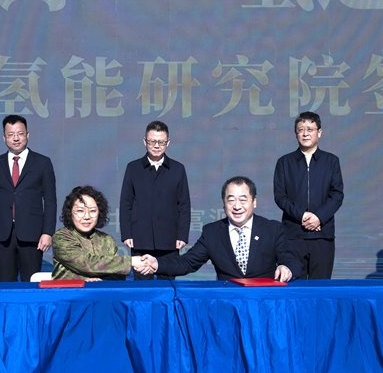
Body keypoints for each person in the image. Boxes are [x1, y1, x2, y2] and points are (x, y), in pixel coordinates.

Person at [137, 176, 301, 281]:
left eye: (243, 200)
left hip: (263, 301)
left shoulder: (272, 229)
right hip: (226, 302)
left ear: (254, 202)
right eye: (231, 200)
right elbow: (187, 263)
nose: (237, 206)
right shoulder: (212, 233)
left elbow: (292, 260)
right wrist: (157, 263)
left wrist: (286, 268)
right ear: (224, 203)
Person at [0, 115, 57, 282]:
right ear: (4, 138)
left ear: (27, 135)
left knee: (31, 284)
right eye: (11, 134)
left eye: (20, 134)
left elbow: (50, 201)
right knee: (5, 283)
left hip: (32, 234)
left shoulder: (42, 163)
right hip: (2, 234)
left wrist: (47, 232)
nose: (16, 138)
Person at [273, 111, 344, 279]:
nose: (305, 133)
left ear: (319, 132)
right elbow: (280, 196)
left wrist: (319, 217)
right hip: (292, 235)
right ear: (296, 133)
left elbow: (337, 195)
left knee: (320, 287)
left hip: (322, 235)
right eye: (301, 129)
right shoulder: (285, 162)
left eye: (310, 129)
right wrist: (302, 216)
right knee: (294, 287)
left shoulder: (331, 161)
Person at [120, 120, 191, 280]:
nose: (157, 146)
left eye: (161, 142)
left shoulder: (178, 169)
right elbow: (126, 203)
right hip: (140, 238)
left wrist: (182, 235)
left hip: (169, 240)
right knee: (142, 288)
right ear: (145, 141)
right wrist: (126, 234)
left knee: (168, 287)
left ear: (168, 142)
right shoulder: (133, 168)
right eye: (152, 141)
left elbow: (184, 205)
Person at [52, 186, 146, 280]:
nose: (87, 217)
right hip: (69, 289)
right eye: (80, 211)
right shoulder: (61, 237)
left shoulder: (107, 240)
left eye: (93, 211)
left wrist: (101, 282)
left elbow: (117, 272)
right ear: (70, 213)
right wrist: (130, 262)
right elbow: (84, 263)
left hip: (103, 289)